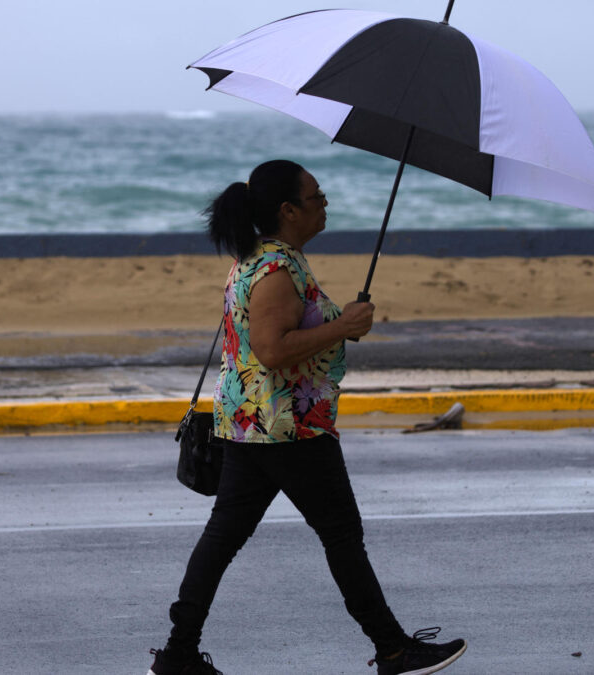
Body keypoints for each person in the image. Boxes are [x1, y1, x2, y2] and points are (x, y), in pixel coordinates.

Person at [147, 160, 467, 675]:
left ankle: (179, 652)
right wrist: (342, 325)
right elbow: (273, 350)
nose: (325, 205)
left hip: (251, 423)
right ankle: (392, 648)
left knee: (223, 537)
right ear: (288, 210)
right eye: (316, 197)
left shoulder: (257, 259)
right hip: (288, 426)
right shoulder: (277, 268)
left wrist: (341, 325)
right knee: (340, 535)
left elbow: (281, 338)